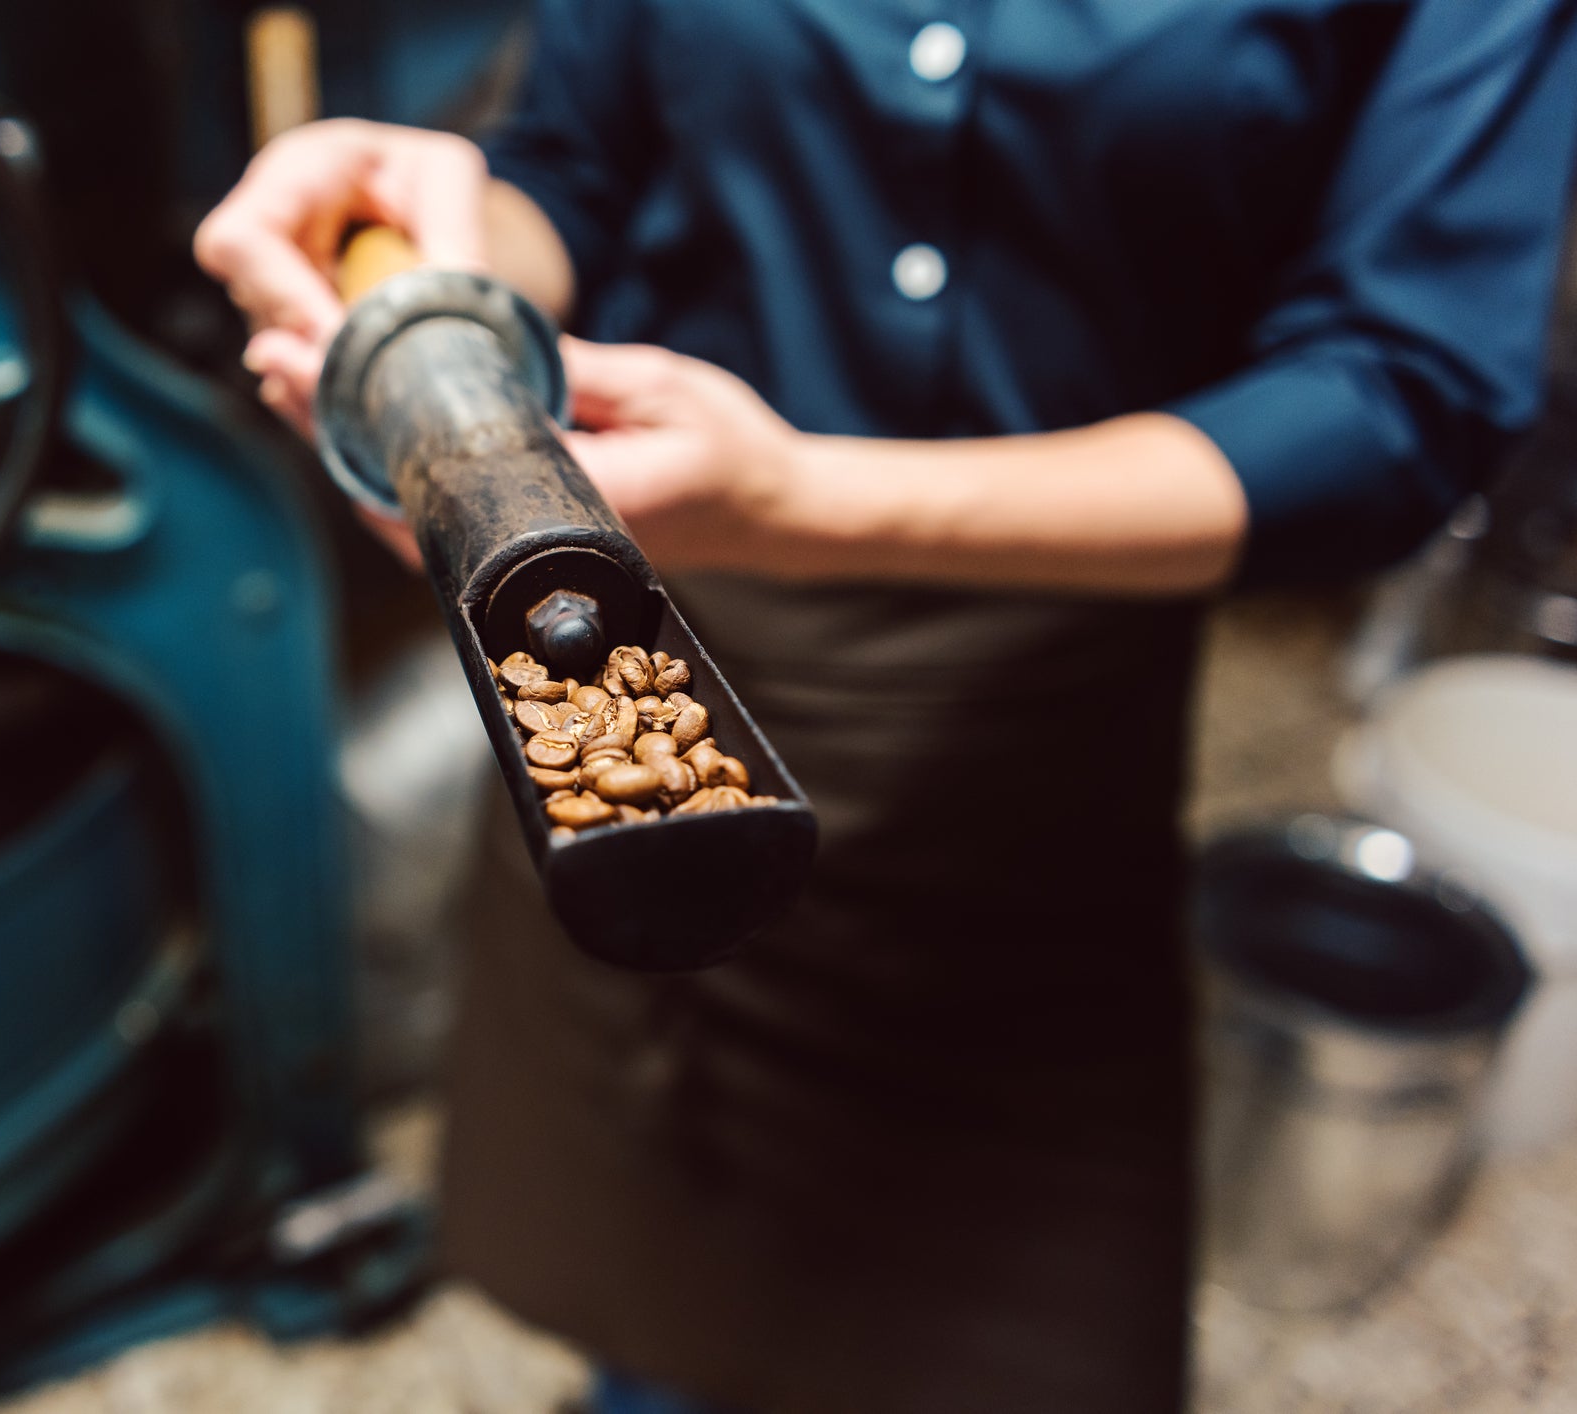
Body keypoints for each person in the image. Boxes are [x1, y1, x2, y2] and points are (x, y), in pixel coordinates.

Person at [195, 3, 1577, 1410]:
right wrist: (426, 274)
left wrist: (809, 501)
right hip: (650, 619)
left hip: (1041, 683)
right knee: (659, 1258)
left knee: (988, 1310)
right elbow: (575, 170)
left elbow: (1402, 395)